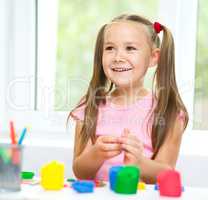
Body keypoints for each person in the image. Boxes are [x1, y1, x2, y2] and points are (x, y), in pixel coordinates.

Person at [68, 14, 188, 184]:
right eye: (110, 48)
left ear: (154, 57)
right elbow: (80, 172)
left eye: (130, 48)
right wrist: (96, 154)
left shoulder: (169, 112)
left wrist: (140, 163)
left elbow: (166, 173)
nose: (118, 57)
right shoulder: (89, 107)